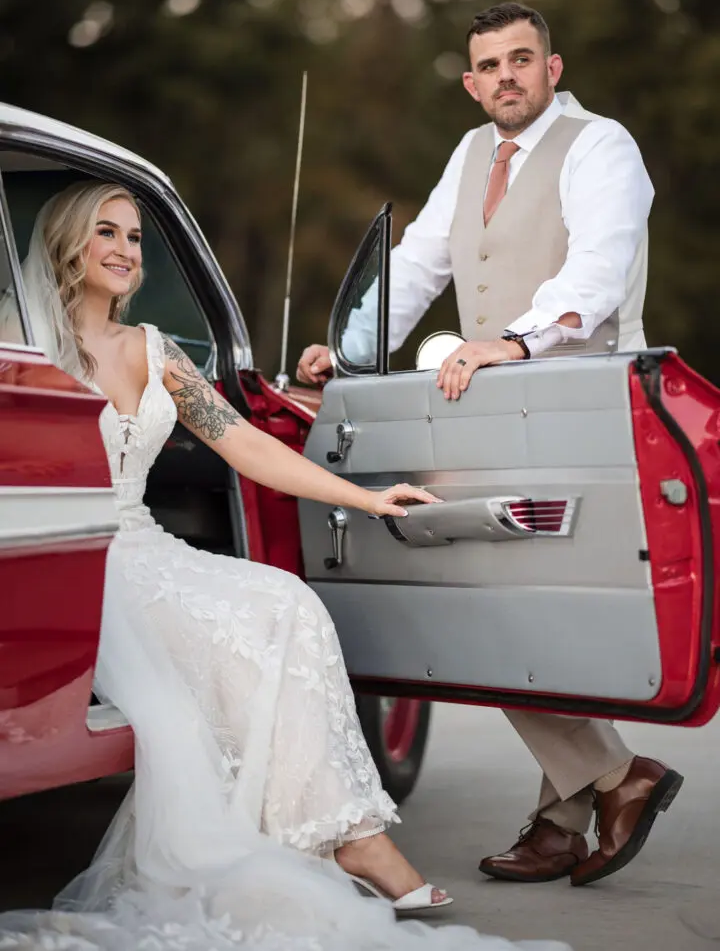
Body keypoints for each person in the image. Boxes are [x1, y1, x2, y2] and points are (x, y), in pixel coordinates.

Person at [0, 181, 571, 951]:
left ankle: (341, 833)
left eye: (136, 238)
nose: (125, 251)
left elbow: (246, 443)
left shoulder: (157, 351)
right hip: (68, 560)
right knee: (249, 627)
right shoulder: (20, 351)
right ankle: (352, 842)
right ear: (69, 243)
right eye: (107, 232)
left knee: (285, 600)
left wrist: (363, 498)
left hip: (145, 548)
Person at [297, 2, 683, 887]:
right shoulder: (471, 155)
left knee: (514, 606)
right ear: (472, 84)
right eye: (490, 65)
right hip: (491, 412)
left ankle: (590, 796)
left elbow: (601, 261)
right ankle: (593, 795)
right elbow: (420, 263)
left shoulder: (600, 145)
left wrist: (514, 341)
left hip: (579, 404)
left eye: (523, 59)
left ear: (553, 67)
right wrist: (351, 348)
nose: (507, 75)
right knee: (502, 608)